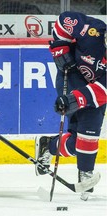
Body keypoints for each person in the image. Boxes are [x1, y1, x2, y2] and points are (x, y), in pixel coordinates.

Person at [35, 11, 106, 201]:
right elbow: (63, 21)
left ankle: (48, 146)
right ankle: (86, 173)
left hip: (95, 93)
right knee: (88, 127)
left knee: (80, 141)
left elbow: (101, 91)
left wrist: (72, 100)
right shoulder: (93, 31)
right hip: (71, 73)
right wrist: (61, 50)